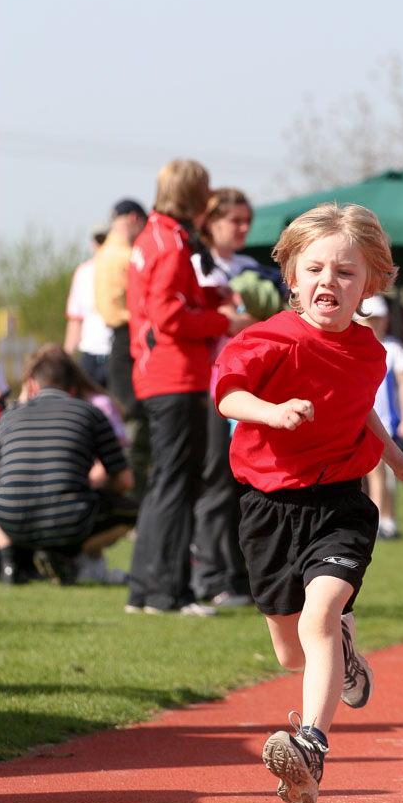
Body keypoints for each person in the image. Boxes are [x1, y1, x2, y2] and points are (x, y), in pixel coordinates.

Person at [215, 202, 403, 803]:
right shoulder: (266, 340)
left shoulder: (370, 352)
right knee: (292, 649)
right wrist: (273, 412)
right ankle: (345, 654)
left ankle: (310, 746)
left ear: (371, 282)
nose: (327, 282)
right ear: (290, 275)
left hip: (339, 503)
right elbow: (229, 396)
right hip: (268, 507)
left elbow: (358, 404)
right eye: (314, 269)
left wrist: (396, 458)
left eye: (345, 272)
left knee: (318, 619)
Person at [124, 159, 246, 616]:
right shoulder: (172, 243)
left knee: (165, 483)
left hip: (157, 373)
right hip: (175, 375)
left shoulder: (152, 235)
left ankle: (145, 588)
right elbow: (170, 316)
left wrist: (214, 298)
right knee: (179, 485)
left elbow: (176, 297)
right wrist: (226, 320)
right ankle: (167, 594)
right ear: (195, 195)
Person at [190, 188, 283, 609]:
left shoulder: (250, 267)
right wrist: (243, 318)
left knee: (247, 482)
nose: (244, 228)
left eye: (248, 220)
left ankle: (242, 575)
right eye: (235, 220)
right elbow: (220, 322)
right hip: (212, 386)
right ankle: (210, 576)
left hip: (254, 386)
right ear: (211, 222)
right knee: (215, 482)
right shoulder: (197, 265)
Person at [0, 344, 137, 586]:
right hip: (71, 521)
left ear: (32, 385)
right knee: (131, 511)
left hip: (11, 521)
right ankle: (63, 555)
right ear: (74, 386)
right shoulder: (91, 413)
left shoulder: (8, 416)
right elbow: (125, 481)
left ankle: (10, 563)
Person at [94, 198, 149, 504]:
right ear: (133, 218)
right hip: (130, 339)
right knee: (136, 427)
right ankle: (134, 500)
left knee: (129, 423)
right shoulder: (128, 256)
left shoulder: (103, 253)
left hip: (116, 342)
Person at [357, 294, 403, 539]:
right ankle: (372, 519)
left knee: (380, 471)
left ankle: (383, 520)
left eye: (379, 319)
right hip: (358, 420)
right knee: (361, 474)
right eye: (370, 319)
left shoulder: (393, 348)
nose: (375, 324)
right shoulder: (354, 349)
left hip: (385, 421)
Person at [64, 224, 113, 386]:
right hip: (90, 355)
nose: (101, 245)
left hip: (117, 353)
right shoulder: (82, 272)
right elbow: (75, 319)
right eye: (99, 240)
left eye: (105, 239)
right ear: (92, 243)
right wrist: (66, 360)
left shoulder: (126, 266)